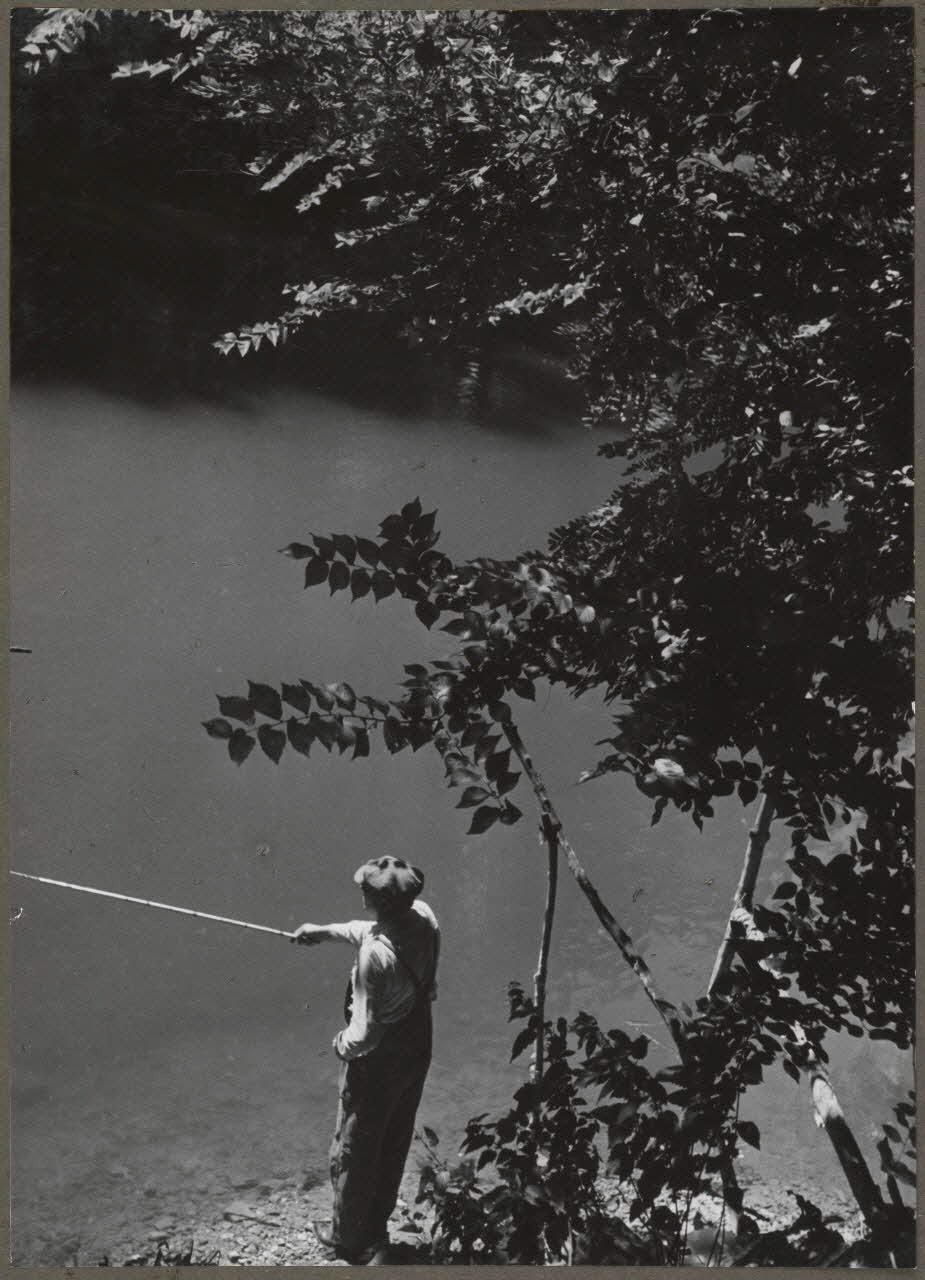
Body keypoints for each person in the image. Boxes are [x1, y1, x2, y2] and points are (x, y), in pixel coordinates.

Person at [292, 855, 439, 1264]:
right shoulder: (422, 916)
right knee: (393, 1138)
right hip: (418, 1041)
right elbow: (373, 932)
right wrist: (323, 933)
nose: (361, 893)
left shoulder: (374, 958)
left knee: (355, 1148)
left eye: (368, 891)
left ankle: (349, 1239)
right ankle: (375, 1225)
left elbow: (365, 1034)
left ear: (382, 900)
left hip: (380, 1058)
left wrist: (340, 1045)